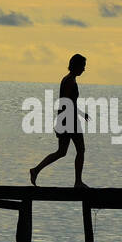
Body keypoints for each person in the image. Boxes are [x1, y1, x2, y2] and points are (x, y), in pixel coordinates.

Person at [30, 54, 89, 188]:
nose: (84, 69)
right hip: (69, 121)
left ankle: (36, 170)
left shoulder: (70, 79)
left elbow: (70, 102)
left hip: (68, 119)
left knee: (62, 152)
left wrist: (80, 113)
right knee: (81, 150)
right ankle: (78, 182)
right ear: (76, 65)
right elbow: (65, 103)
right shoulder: (69, 81)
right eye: (83, 66)